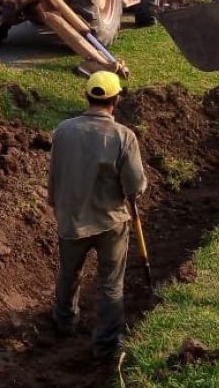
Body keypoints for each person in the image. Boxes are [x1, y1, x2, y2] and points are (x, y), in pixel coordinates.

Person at [48, 71, 148, 360]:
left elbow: (55, 173)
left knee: (69, 273)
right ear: (115, 101)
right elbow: (134, 186)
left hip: (71, 220)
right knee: (111, 283)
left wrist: (55, 202)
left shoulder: (64, 130)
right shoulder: (123, 136)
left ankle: (64, 321)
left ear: (87, 97)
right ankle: (106, 344)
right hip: (110, 222)